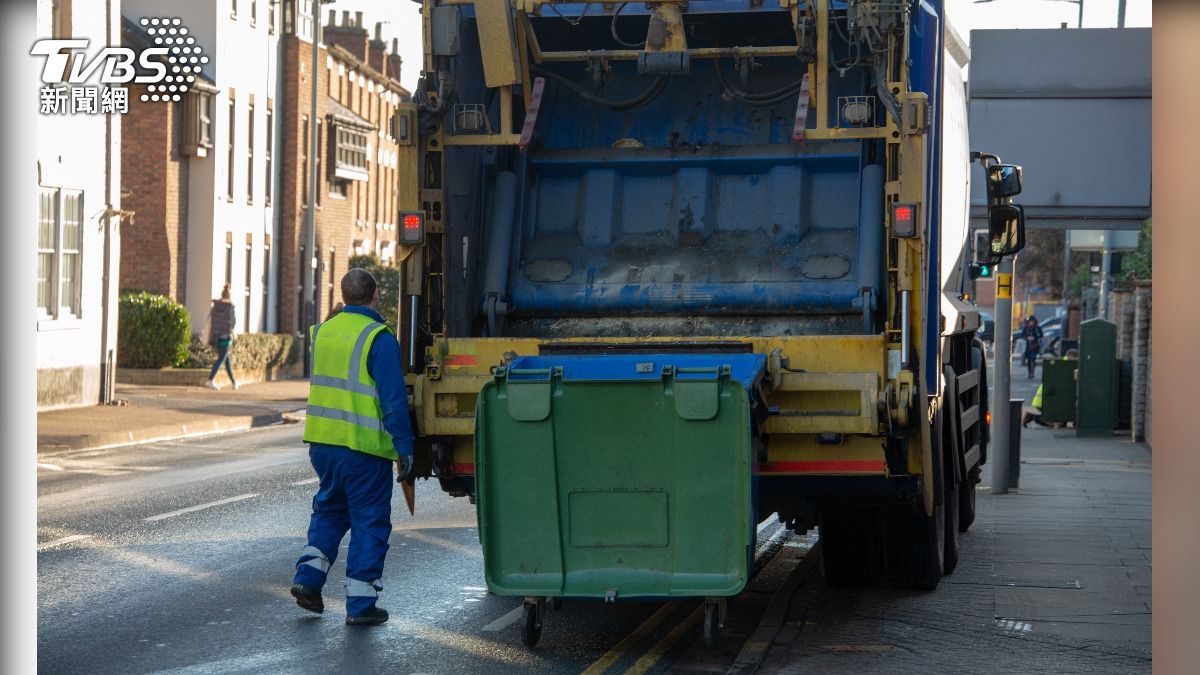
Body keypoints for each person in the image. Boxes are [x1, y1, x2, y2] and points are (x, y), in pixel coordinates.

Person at [290, 268, 415, 626]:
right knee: (369, 522)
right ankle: (360, 606)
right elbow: (393, 401)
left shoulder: (323, 333)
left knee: (329, 512)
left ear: (345, 297)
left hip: (323, 445)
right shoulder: (379, 338)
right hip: (363, 449)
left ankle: (307, 580)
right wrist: (404, 448)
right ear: (375, 295)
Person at [206, 284, 238, 390]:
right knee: (221, 359)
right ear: (229, 295)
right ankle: (210, 380)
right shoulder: (230, 307)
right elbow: (233, 323)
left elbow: (211, 320)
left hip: (216, 336)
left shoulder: (215, 306)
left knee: (226, 359)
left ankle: (234, 382)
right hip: (225, 336)